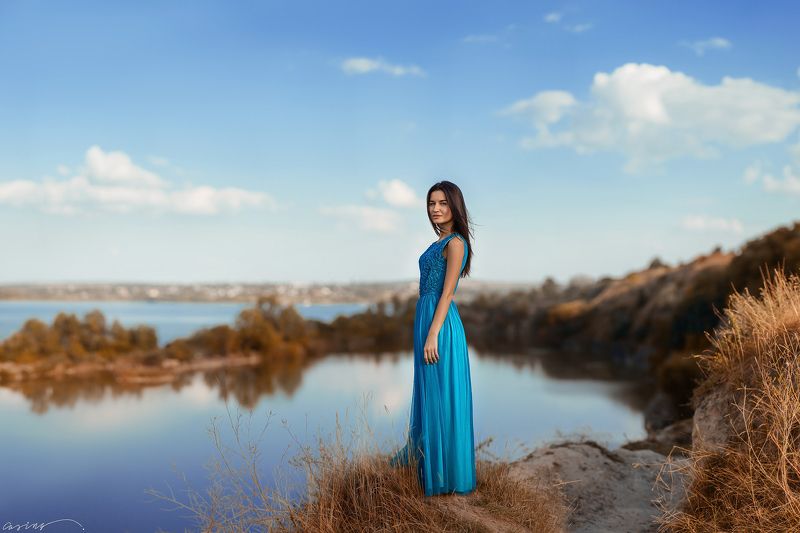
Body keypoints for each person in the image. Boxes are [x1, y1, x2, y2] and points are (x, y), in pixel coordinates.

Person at [389, 180, 476, 496]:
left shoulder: (455, 243)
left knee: (441, 396)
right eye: (431, 203)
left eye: (442, 203)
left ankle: (445, 477)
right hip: (425, 318)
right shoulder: (437, 241)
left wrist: (433, 334)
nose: (436, 209)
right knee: (430, 394)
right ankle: (431, 468)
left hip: (439, 325)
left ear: (455, 206)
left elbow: (448, 292)